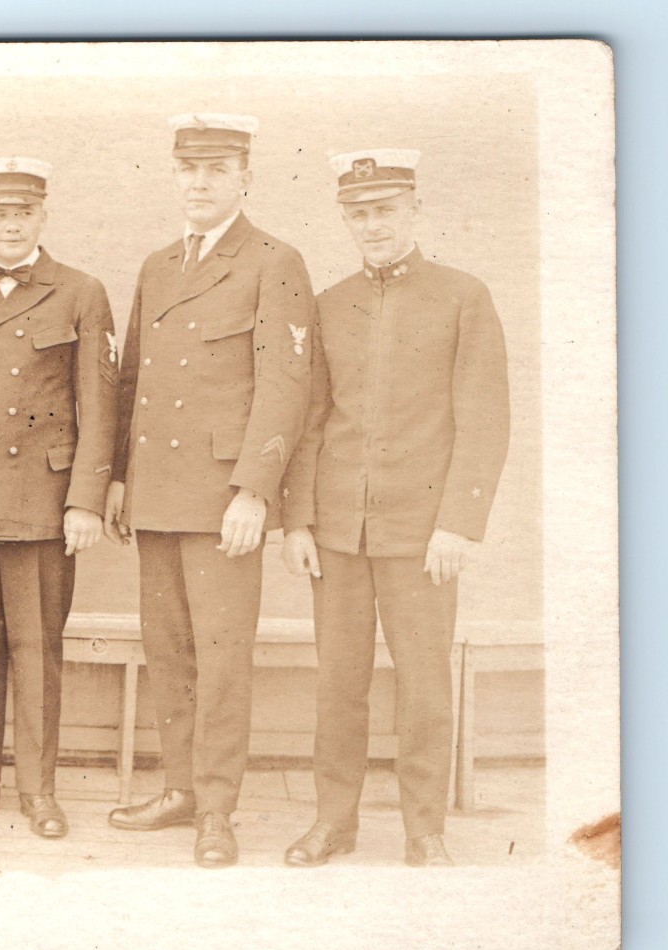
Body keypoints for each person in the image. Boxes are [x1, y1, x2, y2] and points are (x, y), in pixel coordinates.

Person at [280, 149, 510, 868]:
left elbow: (484, 418)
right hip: (339, 529)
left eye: (385, 211)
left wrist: (459, 524)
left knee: (424, 685)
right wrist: (299, 519)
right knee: (337, 684)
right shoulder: (328, 304)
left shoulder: (462, 296)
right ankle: (333, 822)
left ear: (414, 212)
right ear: (345, 220)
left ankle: (423, 830)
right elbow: (310, 418)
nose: (372, 225)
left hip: (422, 534)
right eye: (359, 213)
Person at [103, 113, 315, 867]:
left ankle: (217, 810)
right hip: (158, 493)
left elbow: (285, 385)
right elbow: (133, 378)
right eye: (188, 169)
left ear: (246, 177)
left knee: (221, 658)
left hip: (225, 499)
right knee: (169, 652)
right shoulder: (160, 264)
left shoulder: (273, 261)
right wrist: (121, 476)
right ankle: (181, 789)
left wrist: (255, 491)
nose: (199, 182)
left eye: (216, 170)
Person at [0, 157, 117, 840]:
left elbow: (99, 403)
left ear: (43, 217)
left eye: (23, 214)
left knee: (37, 648)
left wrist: (86, 500)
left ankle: (39, 789)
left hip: (42, 502)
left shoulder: (80, 292)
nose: (10, 225)